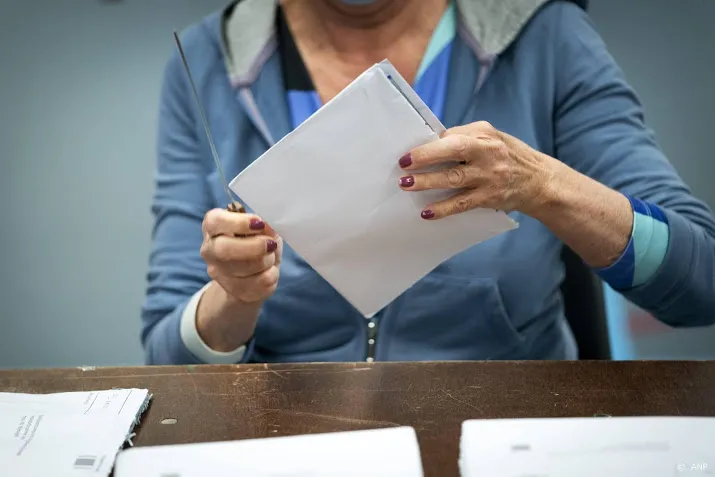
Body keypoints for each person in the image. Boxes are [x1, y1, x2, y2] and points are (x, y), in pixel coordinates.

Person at [141, 0, 715, 365]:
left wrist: (543, 186)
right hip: (292, 434)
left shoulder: (548, 38)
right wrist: (233, 299)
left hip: (508, 434)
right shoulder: (205, 63)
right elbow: (168, 356)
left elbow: (702, 281)